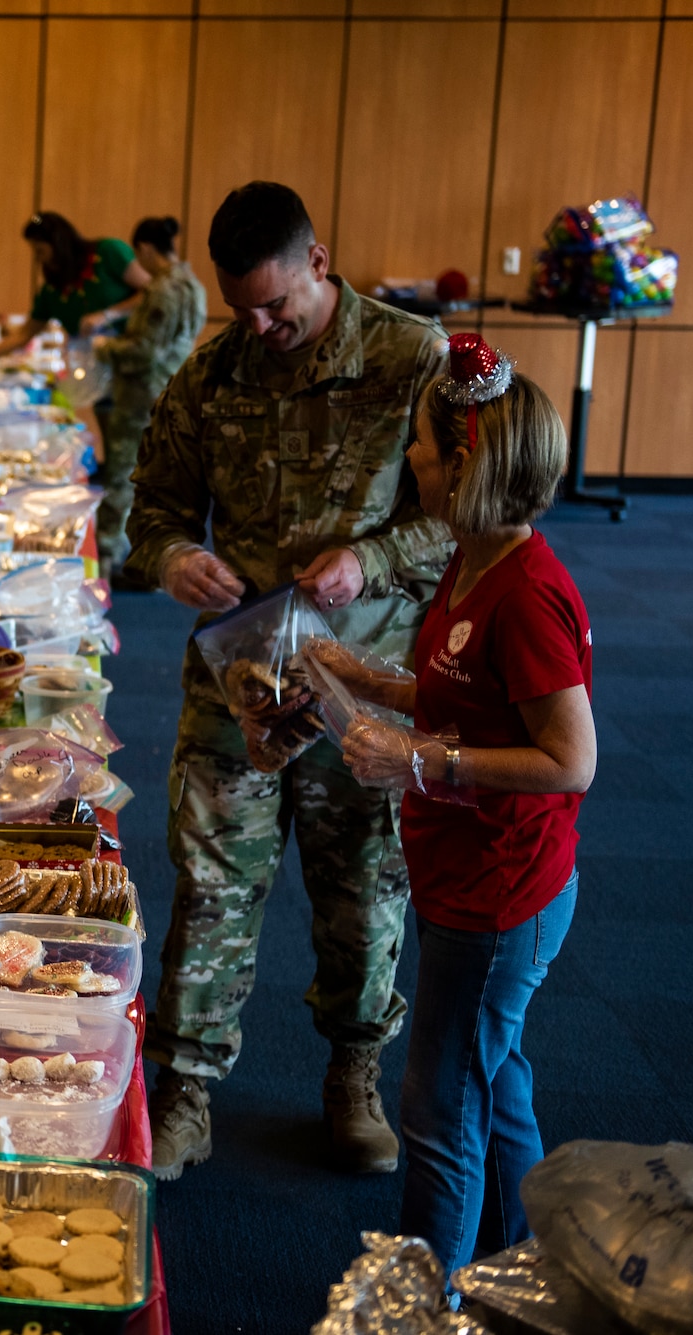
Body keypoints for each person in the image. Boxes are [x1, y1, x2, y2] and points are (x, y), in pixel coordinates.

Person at [124, 181, 454, 1181]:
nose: (261, 328)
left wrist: (376, 558)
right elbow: (150, 514)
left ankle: (352, 1077)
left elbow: (469, 519)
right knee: (212, 888)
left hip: (367, 684)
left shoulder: (410, 360)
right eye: (243, 311)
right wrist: (174, 558)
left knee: (362, 892)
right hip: (243, 684)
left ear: (318, 263)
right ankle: (181, 1090)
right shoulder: (215, 370)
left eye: (278, 306)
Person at [333, 334, 594, 1274]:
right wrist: (361, 676)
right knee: (496, 1073)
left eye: (424, 450)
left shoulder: (527, 594)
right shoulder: (473, 557)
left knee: (440, 1105)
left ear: (467, 466)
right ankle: (517, 1266)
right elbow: (457, 691)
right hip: (466, 873)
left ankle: (420, 1299)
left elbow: (571, 761)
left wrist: (425, 759)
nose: (411, 459)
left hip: (500, 890)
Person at [92, 215, 207, 569]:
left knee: (121, 477)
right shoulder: (193, 285)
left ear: (143, 249)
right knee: (154, 480)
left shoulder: (161, 290)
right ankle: (141, 555)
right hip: (171, 391)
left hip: (141, 396)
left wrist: (104, 348)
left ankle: (110, 559)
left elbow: (145, 351)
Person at [23, 211, 149, 339]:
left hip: (134, 348)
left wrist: (108, 315)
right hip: (91, 355)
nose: (38, 259)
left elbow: (153, 291)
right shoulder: (52, 289)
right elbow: (25, 334)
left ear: (58, 244)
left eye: (40, 251)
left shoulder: (108, 253)